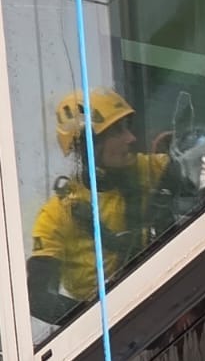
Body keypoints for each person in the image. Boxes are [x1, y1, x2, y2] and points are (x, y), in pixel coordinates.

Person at [27, 88, 193, 326]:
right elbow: (37, 297)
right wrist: (95, 321)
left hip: (172, 296)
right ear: (88, 146)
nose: (130, 138)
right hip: (119, 329)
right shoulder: (57, 216)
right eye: (117, 131)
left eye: (126, 127)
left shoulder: (146, 169)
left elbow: (196, 173)